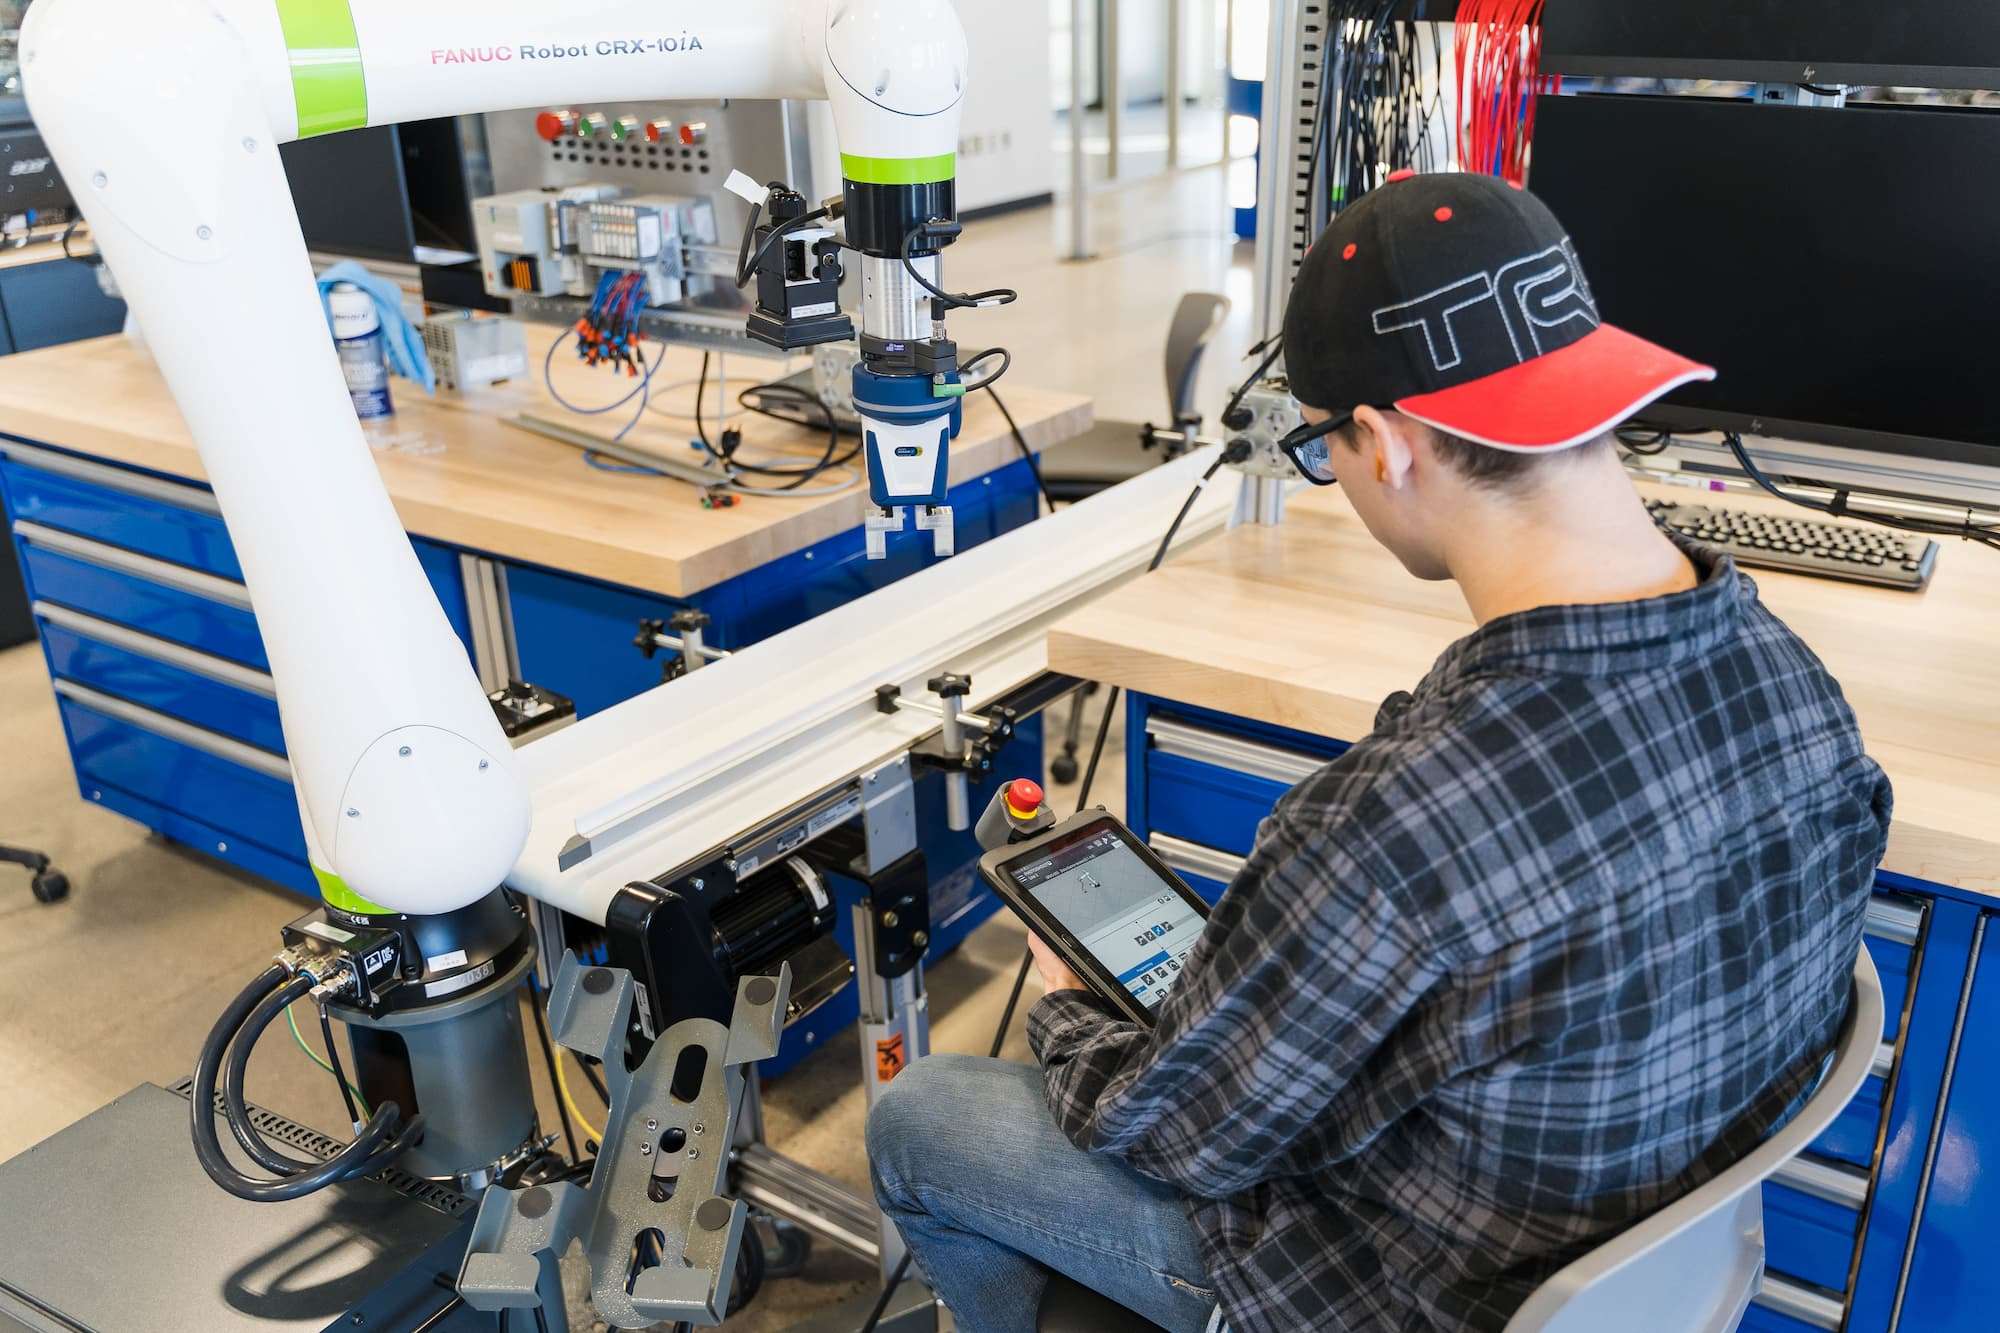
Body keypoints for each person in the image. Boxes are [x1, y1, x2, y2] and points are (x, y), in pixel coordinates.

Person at [866, 171, 1892, 1333]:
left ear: (1383, 442)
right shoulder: (1798, 685)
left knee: (930, 1116)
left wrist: (1067, 1016)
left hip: (1391, 1293)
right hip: (1621, 1271)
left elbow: (1171, 1138)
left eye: (1321, 453)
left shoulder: (1401, 822)